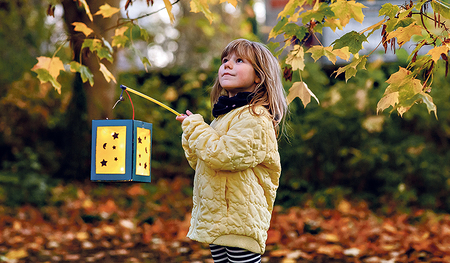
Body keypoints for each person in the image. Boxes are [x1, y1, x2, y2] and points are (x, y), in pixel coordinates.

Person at [176, 38, 288, 263]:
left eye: (238, 61)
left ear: (259, 76)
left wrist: (196, 128)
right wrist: (190, 133)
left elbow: (223, 156)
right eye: (225, 60)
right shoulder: (224, 117)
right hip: (219, 219)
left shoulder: (256, 117)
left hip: (240, 220)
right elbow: (202, 162)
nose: (227, 65)